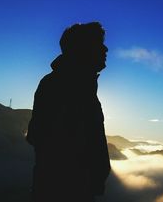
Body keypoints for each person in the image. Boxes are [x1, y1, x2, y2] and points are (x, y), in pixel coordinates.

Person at [26, 22, 111, 202]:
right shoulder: (59, 86)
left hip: (78, 189)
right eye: (98, 44)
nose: (105, 49)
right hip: (65, 191)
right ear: (82, 49)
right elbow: (40, 137)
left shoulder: (82, 87)